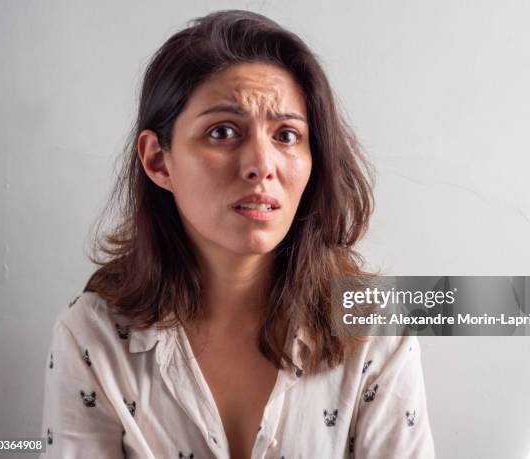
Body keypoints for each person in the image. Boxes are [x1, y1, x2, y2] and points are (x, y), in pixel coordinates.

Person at [40, 9, 435, 459]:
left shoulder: (375, 327)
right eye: (222, 132)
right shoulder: (94, 336)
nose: (261, 165)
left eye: (287, 135)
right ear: (158, 161)